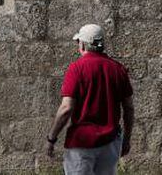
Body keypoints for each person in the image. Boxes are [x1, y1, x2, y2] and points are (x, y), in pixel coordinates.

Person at [46, 24, 134, 175]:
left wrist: (51, 138)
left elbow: (66, 109)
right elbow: (129, 108)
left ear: (83, 44)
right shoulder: (118, 69)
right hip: (110, 142)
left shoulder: (77, 69)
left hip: (81, 143)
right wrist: (126, 139)